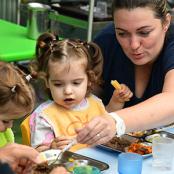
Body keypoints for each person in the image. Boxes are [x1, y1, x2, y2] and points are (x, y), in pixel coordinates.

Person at [75, 0, 174, 145]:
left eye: (144, 32)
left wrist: (116, 121)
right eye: (122, 33)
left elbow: (171, 101)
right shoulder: (106, 42)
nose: (134, 45)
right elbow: (82, 100)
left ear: (166, 22)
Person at [29, 32, 115, 152]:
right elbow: (37, 153)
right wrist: (51, 148)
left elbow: (109, 125)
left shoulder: (95, 103)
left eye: (76, 83)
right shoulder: (44, 116)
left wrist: (117, 101)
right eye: (58, 84)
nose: (68, 91)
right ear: (47, 82)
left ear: (90, 79)